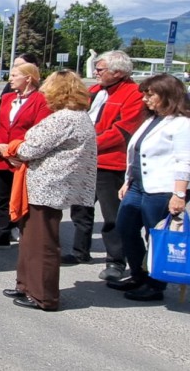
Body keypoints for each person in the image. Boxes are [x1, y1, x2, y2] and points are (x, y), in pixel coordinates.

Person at [1, 70, 96, 311]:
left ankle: (43, 295)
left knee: (41, 242)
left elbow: (31, 148)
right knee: (30, 238)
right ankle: (26, 285)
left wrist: (11, 147)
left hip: (46, 187)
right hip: (48, 186)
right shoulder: (79, 116)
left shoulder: (64, 117)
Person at [63, 51, 145, 283]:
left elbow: (122, 130)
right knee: (80, 208)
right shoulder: (95, 91)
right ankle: (80, 251)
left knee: (112, 215)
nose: (95, 73)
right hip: (85, 159)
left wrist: (88, 145)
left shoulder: (132, 94)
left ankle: (116, 261)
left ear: (117, 72)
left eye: (100, 69)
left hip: (110, 161)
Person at [108, 74, 190, 302]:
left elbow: (185, 161)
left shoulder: (182, 124)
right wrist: (127, 180)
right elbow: (136, 153)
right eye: (144, 94)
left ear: (167, 95)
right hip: (138, 185)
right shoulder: (151, 119)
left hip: (162, 188)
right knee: (125, 227)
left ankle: (155, 284)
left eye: (150, 94)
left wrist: (179, 194)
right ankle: (138, 274)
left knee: (155, 235)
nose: (145, 99)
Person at [0, 64, 50, 250]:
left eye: (14, 75)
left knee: (25, 197)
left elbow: (40, 130)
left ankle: (25, 232)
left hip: (24, 158)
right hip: (2, 157)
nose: (10, 79)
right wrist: (0, 147)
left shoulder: (41, 100)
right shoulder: (6, 98)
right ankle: (3, 232)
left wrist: (17, 152)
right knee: (2, 197)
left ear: (28, 78)